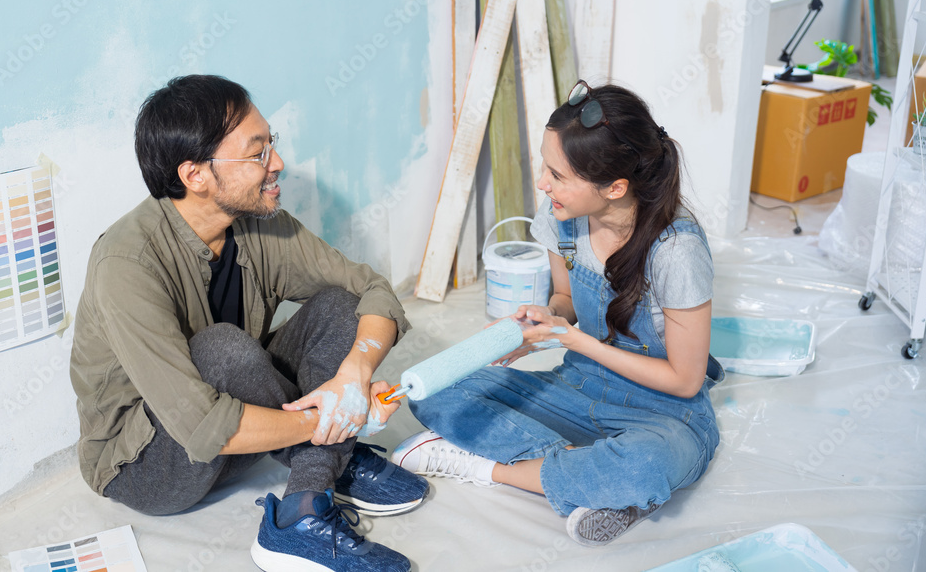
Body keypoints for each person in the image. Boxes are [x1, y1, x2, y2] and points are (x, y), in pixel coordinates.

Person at [70, 74, 425, 572]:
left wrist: (354, 379)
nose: (276, 163)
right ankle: (330, 452)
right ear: (195, 175)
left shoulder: (259, 222)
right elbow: (199, 424)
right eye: (257, 154)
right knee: (223, 348)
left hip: (243, 422)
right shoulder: (126, 263)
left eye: (271, 145)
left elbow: (375, 292)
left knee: (341, 305)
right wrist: (337, 420)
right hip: (149, 462)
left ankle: (305, 502)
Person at [393, 81, 724, 547]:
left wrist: (573, 340)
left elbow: (686, 381)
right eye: (545, 168)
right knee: (436, 389)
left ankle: (489, 468)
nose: (543, 184)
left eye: (558, 175)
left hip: (665, 414)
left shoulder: (678, 252)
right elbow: (566, 302)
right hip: (579, 387)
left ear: (615, 187)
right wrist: (536, 322)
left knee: (648, 464)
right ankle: (588, 479)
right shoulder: (560, 218)